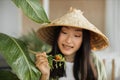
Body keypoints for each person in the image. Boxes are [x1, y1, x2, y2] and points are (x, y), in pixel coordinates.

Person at [35, 7, 109, 80]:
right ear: (57, 34)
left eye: (76, 35)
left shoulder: (94, 62)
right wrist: (45, 75)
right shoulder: (45, 62)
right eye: (64, 32)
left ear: (83, 40)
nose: (68, 40)